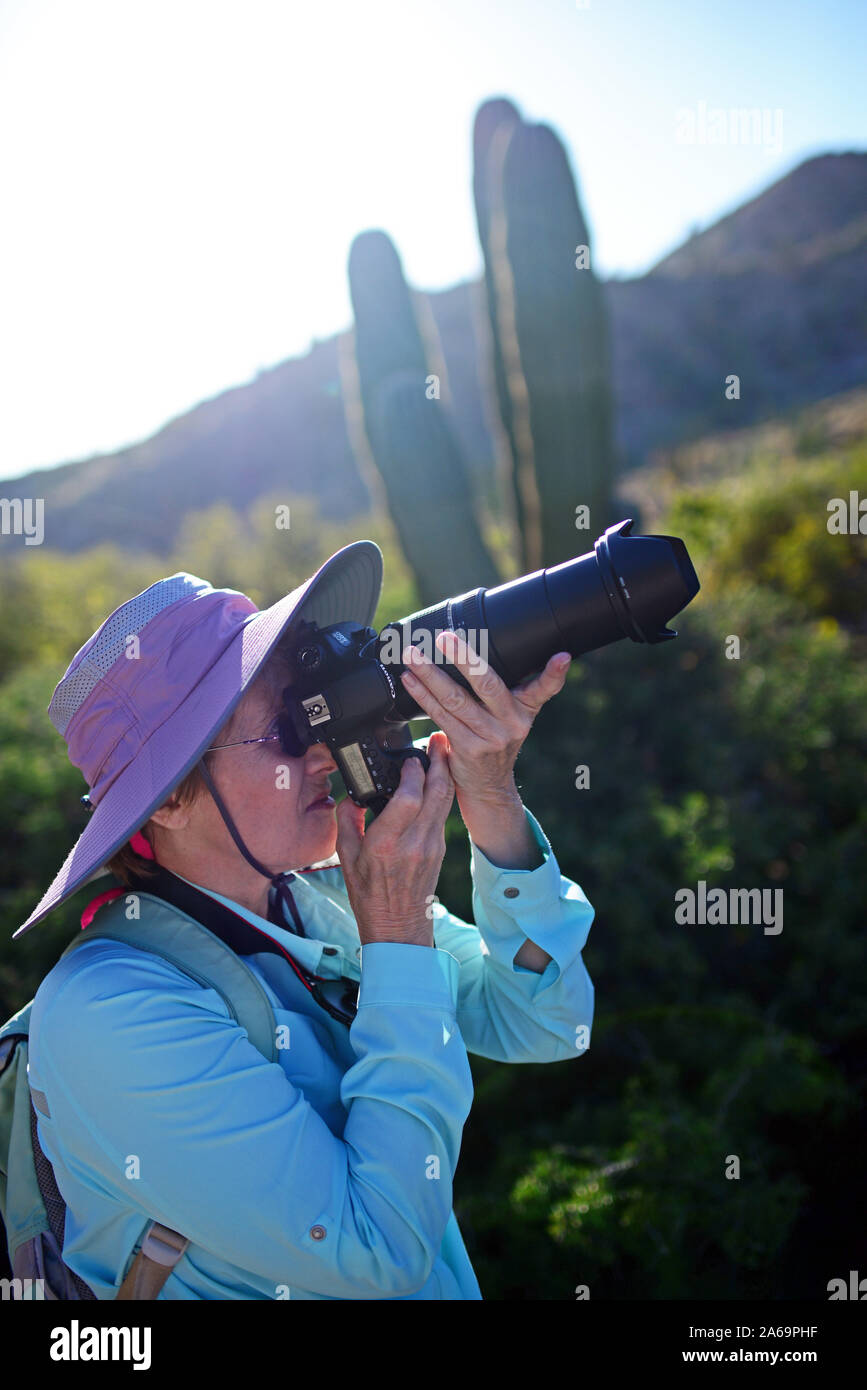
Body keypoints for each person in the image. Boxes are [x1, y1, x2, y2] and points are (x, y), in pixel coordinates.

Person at [19, 541, 596, 1300]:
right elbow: (377, 1253)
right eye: (285, 733)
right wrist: (395, 933)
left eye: (315, 712)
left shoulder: (315, 897)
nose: (325, 750)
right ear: (166, 799)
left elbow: (545, 1022)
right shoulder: (114, 1015)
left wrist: (489, 796)